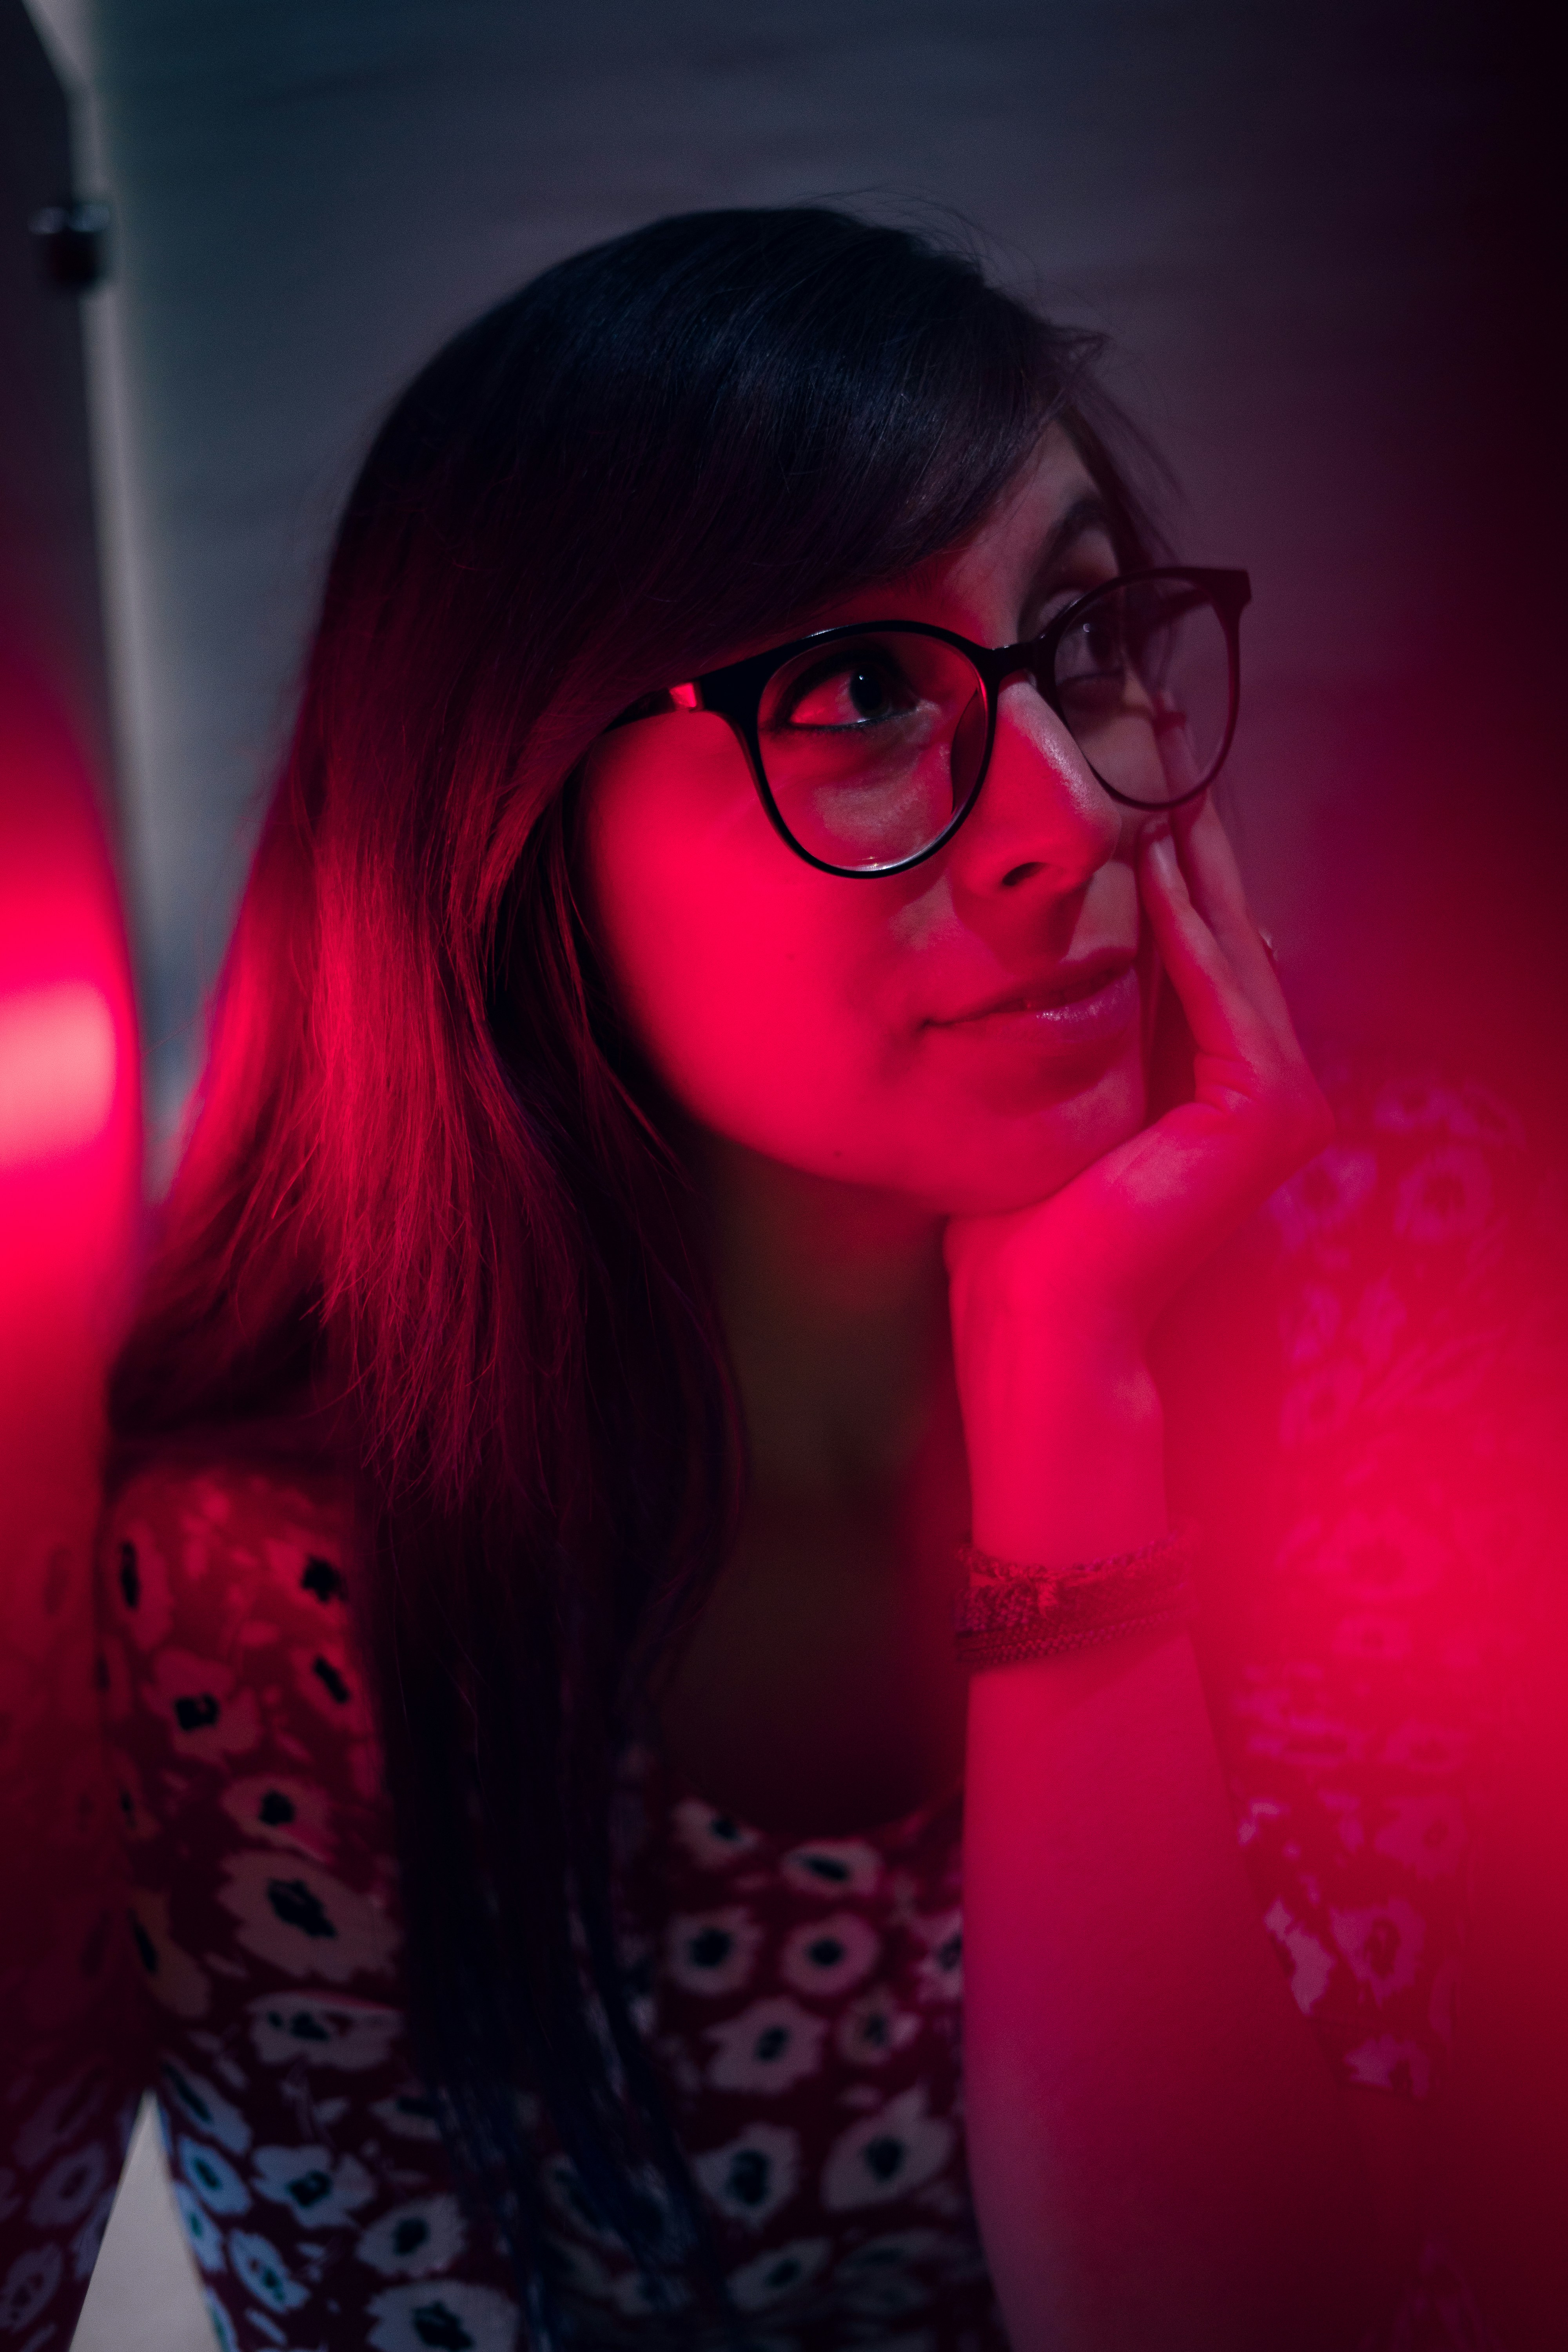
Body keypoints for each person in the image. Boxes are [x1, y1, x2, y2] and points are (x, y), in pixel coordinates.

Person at [3, 206, 1553, 2352]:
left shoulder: (1371, 1280)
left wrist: (1070, 1395)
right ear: (508, 811)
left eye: (1086, 638)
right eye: (854, 689)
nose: (1076, 807)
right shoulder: (277, 1605)